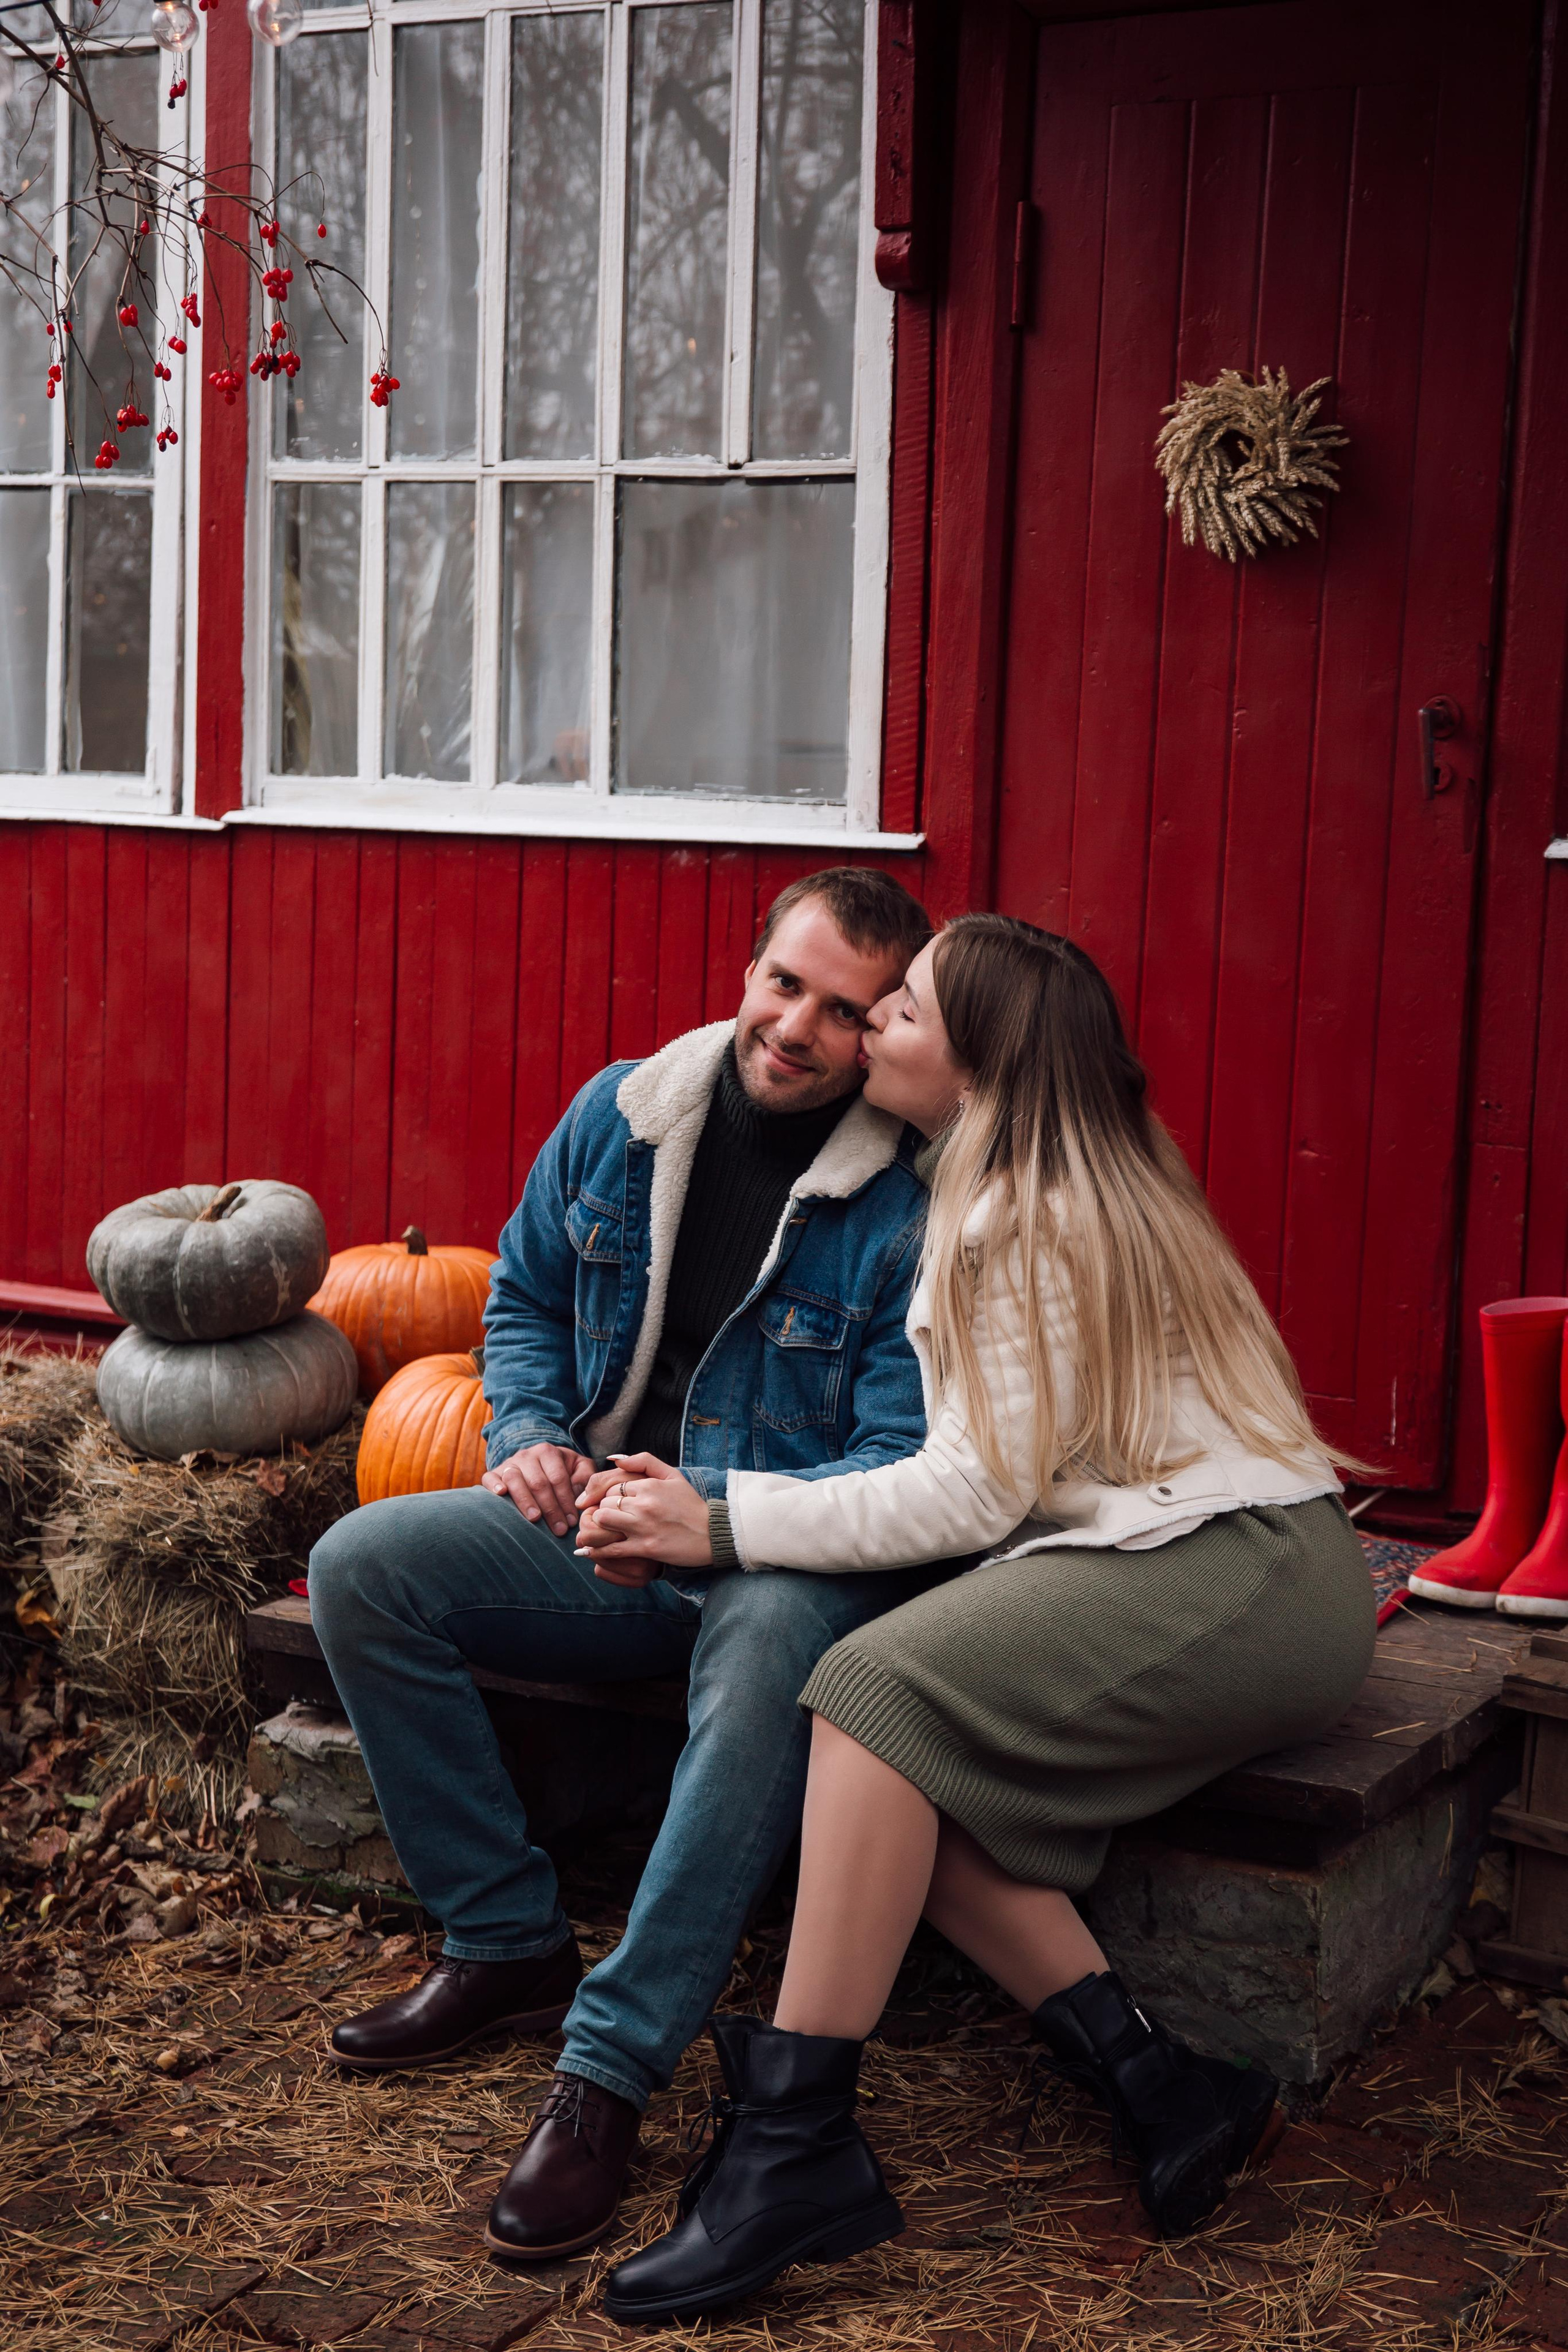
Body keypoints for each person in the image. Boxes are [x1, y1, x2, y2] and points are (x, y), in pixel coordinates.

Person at [573, 913, 1378, 2326]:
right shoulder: (1015, 1178)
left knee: (870, 1693)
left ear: (979, 1061)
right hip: (1193, 1555)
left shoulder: (1013, 1213)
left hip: (1237, 1569)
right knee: (900, 1775)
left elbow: (964, 1492)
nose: (870, 1022)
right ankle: (1164, 2085)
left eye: (901, 1013)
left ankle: (790, 2146)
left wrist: (715, 1515)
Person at [308, 867, 951, 2262]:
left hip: (770, 1559)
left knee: (773, 1638)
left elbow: (901, 1462)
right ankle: (502, 1942)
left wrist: (695, 1507)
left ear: (881, 1031)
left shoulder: (908, 1203)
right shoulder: (620, 1113)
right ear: (749, 968)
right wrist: (532, 1435)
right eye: (785, 983)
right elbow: (528, 1295)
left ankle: (603, 2073)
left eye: (844, 1013)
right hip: (595, 1534)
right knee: (363, 1562)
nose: (796, 1028)